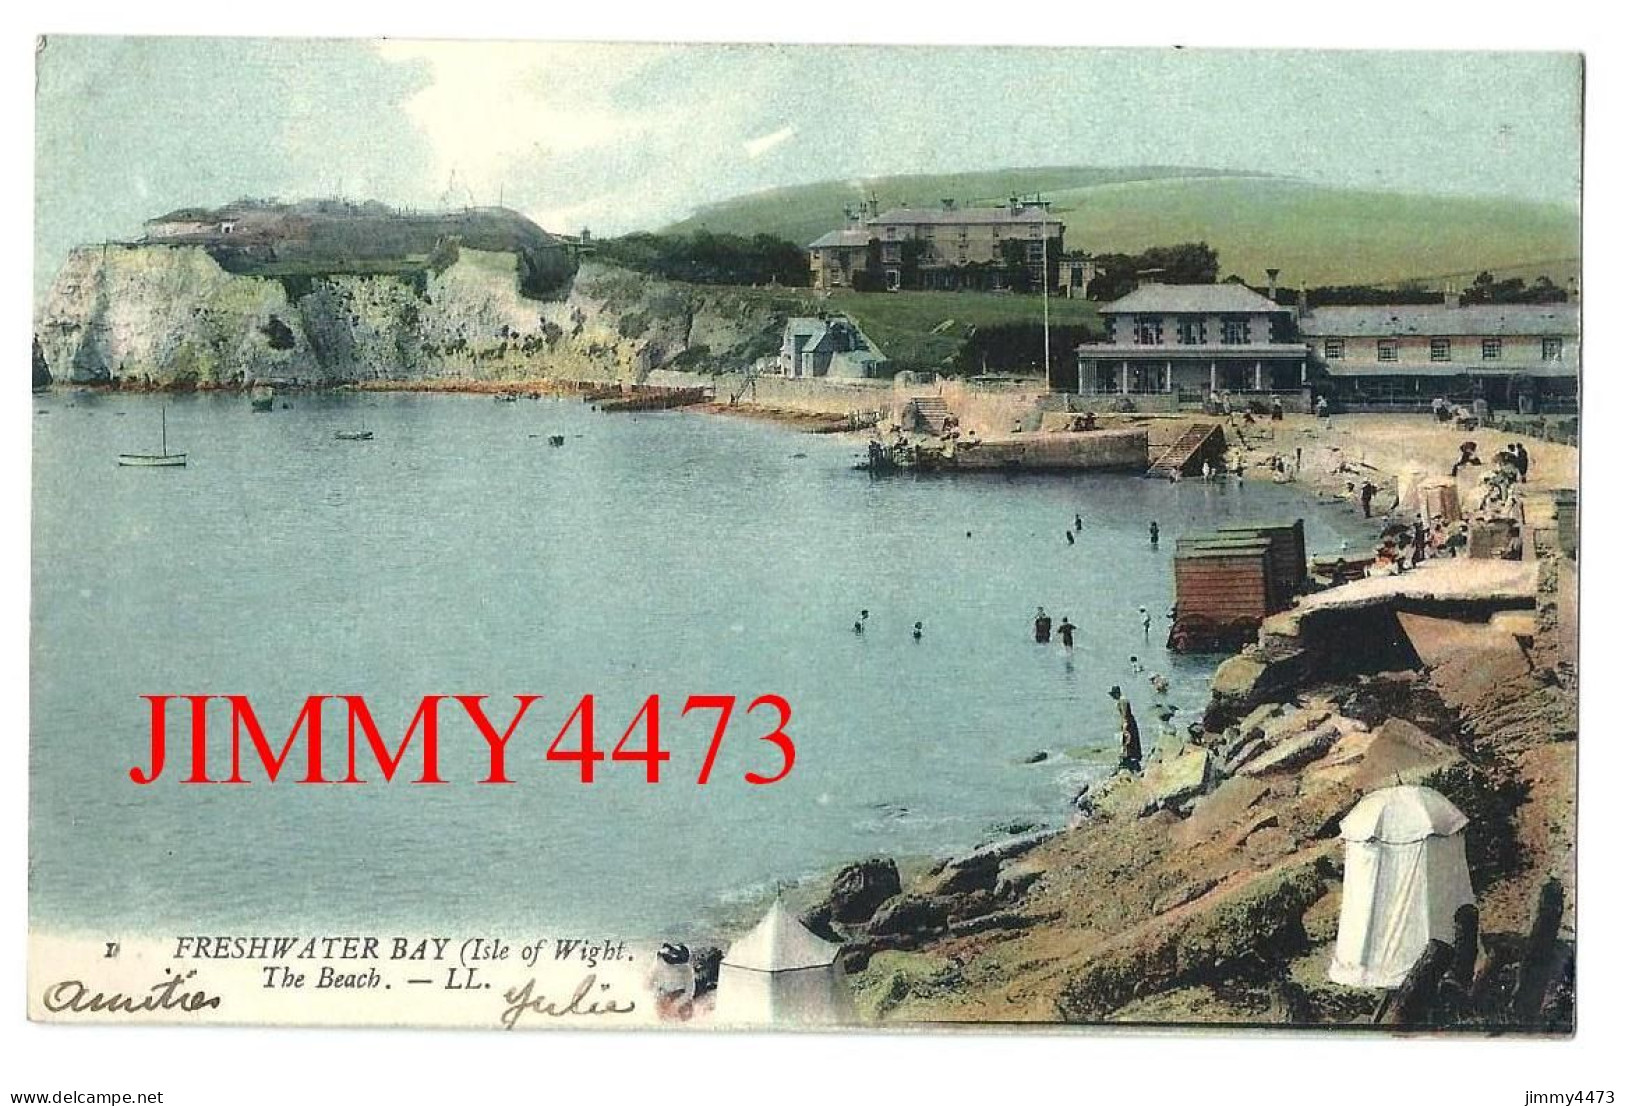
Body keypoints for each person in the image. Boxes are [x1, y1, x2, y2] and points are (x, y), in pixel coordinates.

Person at [1110, 686, 1143, 773]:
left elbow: (1125, 715)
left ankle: (1128, 760)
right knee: (1130, 742)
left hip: (1128, 723)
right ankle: (1129, 759)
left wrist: (1125, 727)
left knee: (1128, 741)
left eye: (1113, 695)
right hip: (1128, 722)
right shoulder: (1122, 700)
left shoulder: (1122, 700)